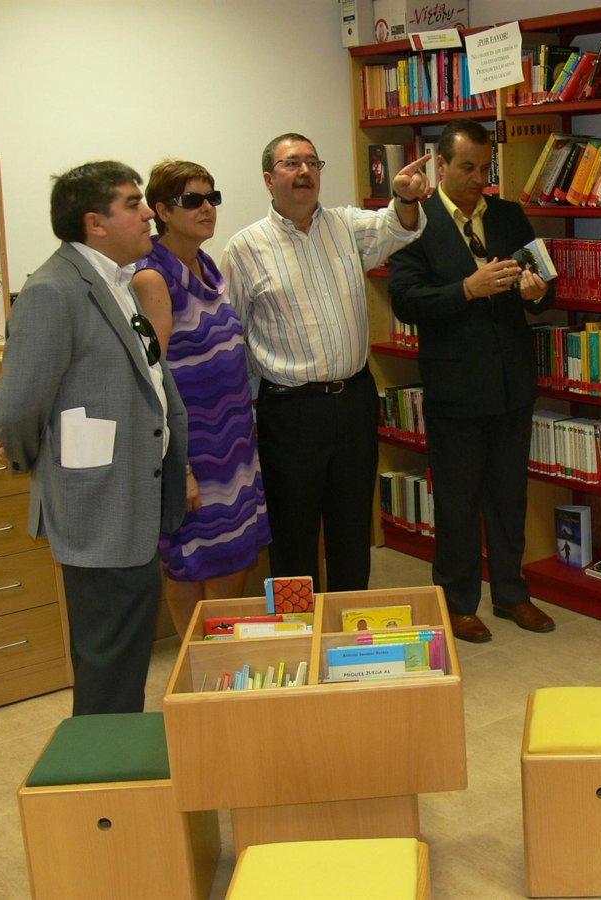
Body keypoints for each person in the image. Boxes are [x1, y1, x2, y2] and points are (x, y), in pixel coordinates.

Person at [0, 161, 188, 715]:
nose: (148, 213)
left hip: (130, 498)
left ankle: (114, 750)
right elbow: (16, 409)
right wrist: (34, 461)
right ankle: (103, 762)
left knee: (123, 656)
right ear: (95, 223)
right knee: (109, 663)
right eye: (132, 203)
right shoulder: (53, 291)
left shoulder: (117, 281)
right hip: (97, 506)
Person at [221, 133, 429, 592]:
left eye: (312, 163)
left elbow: (397, 227)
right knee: (293, 533)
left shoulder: (345, 225)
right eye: (292, 163)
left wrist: (404, 197)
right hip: (289, 410)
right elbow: (233, 337)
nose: (304, 172)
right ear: (269, 179)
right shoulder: (244, 248)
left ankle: (347, 621)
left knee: (352, 527)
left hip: (353, 400)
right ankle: (298, 628)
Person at [389, 119, 556, 643]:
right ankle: (458, 602)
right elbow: (406, 301)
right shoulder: (415, 221)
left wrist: (537, 293)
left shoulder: (509, 215)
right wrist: (467, 288)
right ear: (440, 165)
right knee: (457, 502)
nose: (478, 179)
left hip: (512, 383)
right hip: (456, 387)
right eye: (467, 168)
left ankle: (511, 593)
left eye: (485, 169)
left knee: (509, 496)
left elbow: (547, 285)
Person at [132, 160, 271, 637]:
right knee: (191, 565)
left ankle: (217, 662)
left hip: (233, 445)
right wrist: (181, 466)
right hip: (193, 450)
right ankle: (201, 664)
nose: (207, 208)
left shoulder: (208, 266)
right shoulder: (153, 277)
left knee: (234, 560)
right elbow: (151, 378)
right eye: (193, 200)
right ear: (162, 211)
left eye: (213, 198)